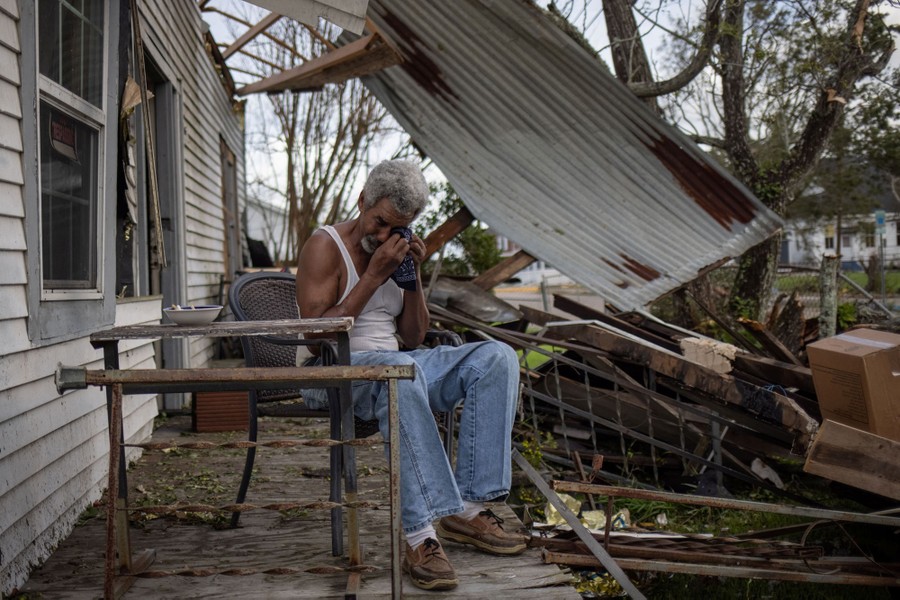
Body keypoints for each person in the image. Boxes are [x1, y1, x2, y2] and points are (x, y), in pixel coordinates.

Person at [296, 160, 526, 590]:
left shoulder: (397, 257)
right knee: (401, 373)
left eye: (397, 229)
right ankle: (420, 535)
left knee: (498, 358)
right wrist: (373, 275)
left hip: (397, 367)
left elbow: (413, 336)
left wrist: (412, 276)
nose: (384, 236)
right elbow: (313, 337)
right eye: (380, 222)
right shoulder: (325, 246)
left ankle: (470, 507)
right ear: (363, 200)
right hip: (333, 371)